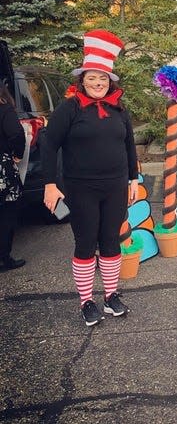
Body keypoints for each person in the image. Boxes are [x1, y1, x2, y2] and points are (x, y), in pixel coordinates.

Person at [41, 30, 139, 326]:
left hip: (115, 186)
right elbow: (49, 144)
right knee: (85, 243)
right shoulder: (69, 109)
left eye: (103, 79)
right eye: (92, 78)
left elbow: (129, 145)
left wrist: (133, 180)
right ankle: (86, 301)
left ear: (110, 82)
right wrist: (49, 184)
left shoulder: (119, 109)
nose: (98, 83)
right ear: (82, 80)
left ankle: (110, 296)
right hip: (80, 187)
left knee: (111, 241)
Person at [0, 78, 26, 271]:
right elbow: (16, 134)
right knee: (8, 210)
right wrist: (17, 154)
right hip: (2, 168)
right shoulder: (4, 109)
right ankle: (3, 258)